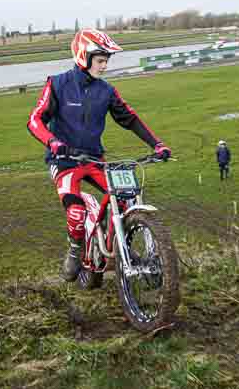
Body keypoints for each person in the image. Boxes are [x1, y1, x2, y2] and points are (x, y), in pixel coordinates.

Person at [27, 29, 172, 281]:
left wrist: (157, 144)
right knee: (75, 212)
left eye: (107, 61)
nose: (105, 66)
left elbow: (130, 118)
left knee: (128, 200)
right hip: (64, 161)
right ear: (84, 56)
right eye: (101, 60)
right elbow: (34, 120)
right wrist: (52, 142)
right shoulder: (58, 84)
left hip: (94, 159)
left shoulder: (106, 91)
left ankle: (120, 250)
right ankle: (75, 250)